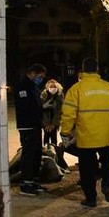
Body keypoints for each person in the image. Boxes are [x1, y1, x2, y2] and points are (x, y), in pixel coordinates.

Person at [60, 57, 109, 208]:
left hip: (86, 137)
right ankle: (107, 186)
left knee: (87, 169)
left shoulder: (76, 89)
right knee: (107, 162)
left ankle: (91, 198)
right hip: (105, 136)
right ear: (97, 70)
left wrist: (65, 132)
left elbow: (68, 114)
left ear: (82, 70)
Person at [14, 63, 47, 196]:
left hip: (36, 125)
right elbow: (25, 107)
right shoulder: (23, 87)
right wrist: (39, 110)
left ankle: (33, 180)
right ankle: (26, 183)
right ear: (32, 73)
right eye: (39, 76)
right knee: (28, 154)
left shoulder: (34, 87)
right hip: (27, 126)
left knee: (36, 153)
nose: (41, 79)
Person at [40, 78, 69, 169]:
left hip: (55, 122)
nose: (53, 88)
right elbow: (41, 111)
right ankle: (45, 157)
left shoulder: (60, 96)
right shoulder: (43, 95)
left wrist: (53, 124)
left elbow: (60, 111)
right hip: (45, 122)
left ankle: (55, 158)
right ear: (47, 87)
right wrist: (46, 124)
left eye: (54, 86)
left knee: (54, 139)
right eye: (51, 86)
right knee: (46, 138)